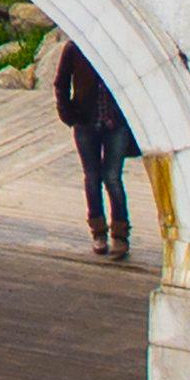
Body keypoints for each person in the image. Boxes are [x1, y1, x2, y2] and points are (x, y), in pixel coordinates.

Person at [49, 35, 138, 265]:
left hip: (115, 124)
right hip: (85, 123)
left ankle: (120, 233)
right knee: (92, 177)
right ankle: (98, 231)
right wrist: (67, 113)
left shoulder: (119, 46)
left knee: (112, 177)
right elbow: (61, 83)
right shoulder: (74, 48)